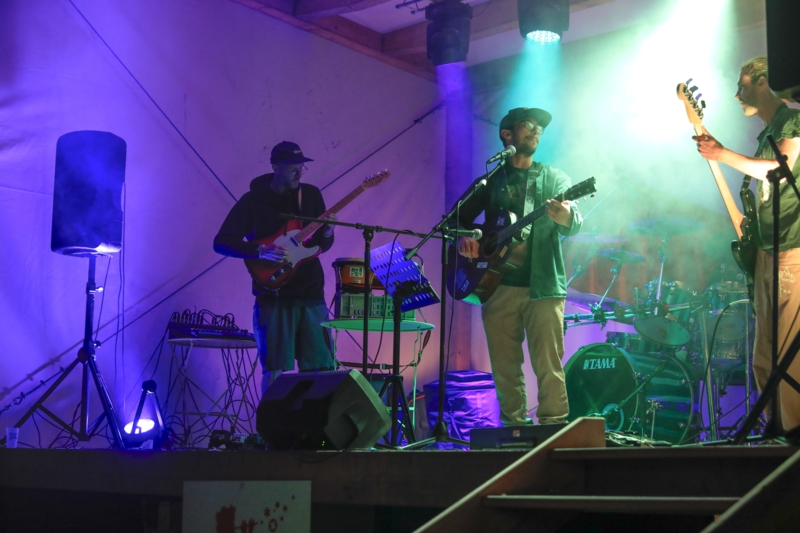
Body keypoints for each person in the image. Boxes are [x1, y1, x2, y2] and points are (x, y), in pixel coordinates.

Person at [453, 107, 583, 426]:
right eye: (528, 125)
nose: (536, 130)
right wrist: (465, 239)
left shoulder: (554, 178)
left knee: (548, 366)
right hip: (495, 286)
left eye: (540, 127)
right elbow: (456, 220)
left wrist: (566, 216)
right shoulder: (489, 181)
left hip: (544, 288)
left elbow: (575, 221)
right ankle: (512, 432)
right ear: (507, 135)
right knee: (505, 367)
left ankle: (553, 430)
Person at [694, 56, 800, 431]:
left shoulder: (792, 119)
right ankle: (774, 429)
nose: (736, 93)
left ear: (762, 81)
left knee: (789, 352)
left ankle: (792, 439)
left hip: (793, 249)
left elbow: (779, 172)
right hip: (769, 251)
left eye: (742, 85)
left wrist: (722, 155)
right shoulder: (767, 131)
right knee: (764, 356)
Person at [214, 141, 336, 395]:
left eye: (301, 167)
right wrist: (259, 250)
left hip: (311, 295)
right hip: (274, 297)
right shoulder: (253, 201)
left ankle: (316, 429)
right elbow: (222, 242)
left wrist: (329, 230)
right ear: (274, 167)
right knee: (276, 370)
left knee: (321, 368)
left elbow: (323, 244)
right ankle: (274, 428)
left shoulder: (311, 196)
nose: (298, 173)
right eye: (292, 167)